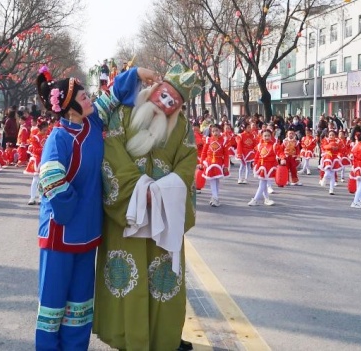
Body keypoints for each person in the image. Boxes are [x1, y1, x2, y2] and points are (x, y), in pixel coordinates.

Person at [33, 65, 147, 351]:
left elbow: (114, 94)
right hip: (61, 233)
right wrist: (72, 212)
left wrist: (138, 73)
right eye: (84, 98)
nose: (90, 101)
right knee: (53, 305)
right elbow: (50, 180)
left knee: (80, 306)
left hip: (87, 233)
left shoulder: (93, 122)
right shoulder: (58, 138)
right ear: (70, 107)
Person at [93, 63, 200, 351]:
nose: (165, 103)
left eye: (172, 103)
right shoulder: (123, 115)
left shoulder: (183, 128)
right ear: (156, 88)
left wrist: (163, 192)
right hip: (127, 213)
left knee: (161, 279)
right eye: (164, 95)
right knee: (126, 275)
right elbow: (111, 154)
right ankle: (126, 338)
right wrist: (140, 190)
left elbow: (188, 163)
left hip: (163, 214)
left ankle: (164, 338)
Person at [199, 124, 231, 207]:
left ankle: (215, 197)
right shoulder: (208, 140)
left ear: (220, 131)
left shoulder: (223, 141)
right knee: (212, 180)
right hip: (209, 162)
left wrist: (226, 166)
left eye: (216, 130)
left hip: (219, 162)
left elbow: (226, 155)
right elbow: (204, 152)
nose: (215, 132)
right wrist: (201, 162)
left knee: (216, 180)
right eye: (213, 131)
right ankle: (215, 197)